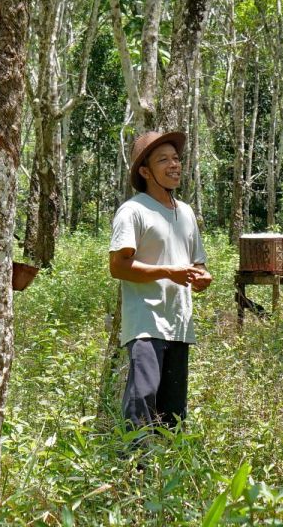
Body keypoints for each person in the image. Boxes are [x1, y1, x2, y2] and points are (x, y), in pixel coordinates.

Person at [109, 130, 213, 436]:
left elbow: (197, 262)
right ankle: (134, 468)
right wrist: (169, 272)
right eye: (163, 160)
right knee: (142, 398)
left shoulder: (187, 213)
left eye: (176, 158)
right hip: (145, 322)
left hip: (180, 323)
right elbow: (118, 267)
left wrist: (201, 276)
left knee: (174, 410)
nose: (174, 165)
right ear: (145, 171)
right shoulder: (133, 211)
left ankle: (168, 472)